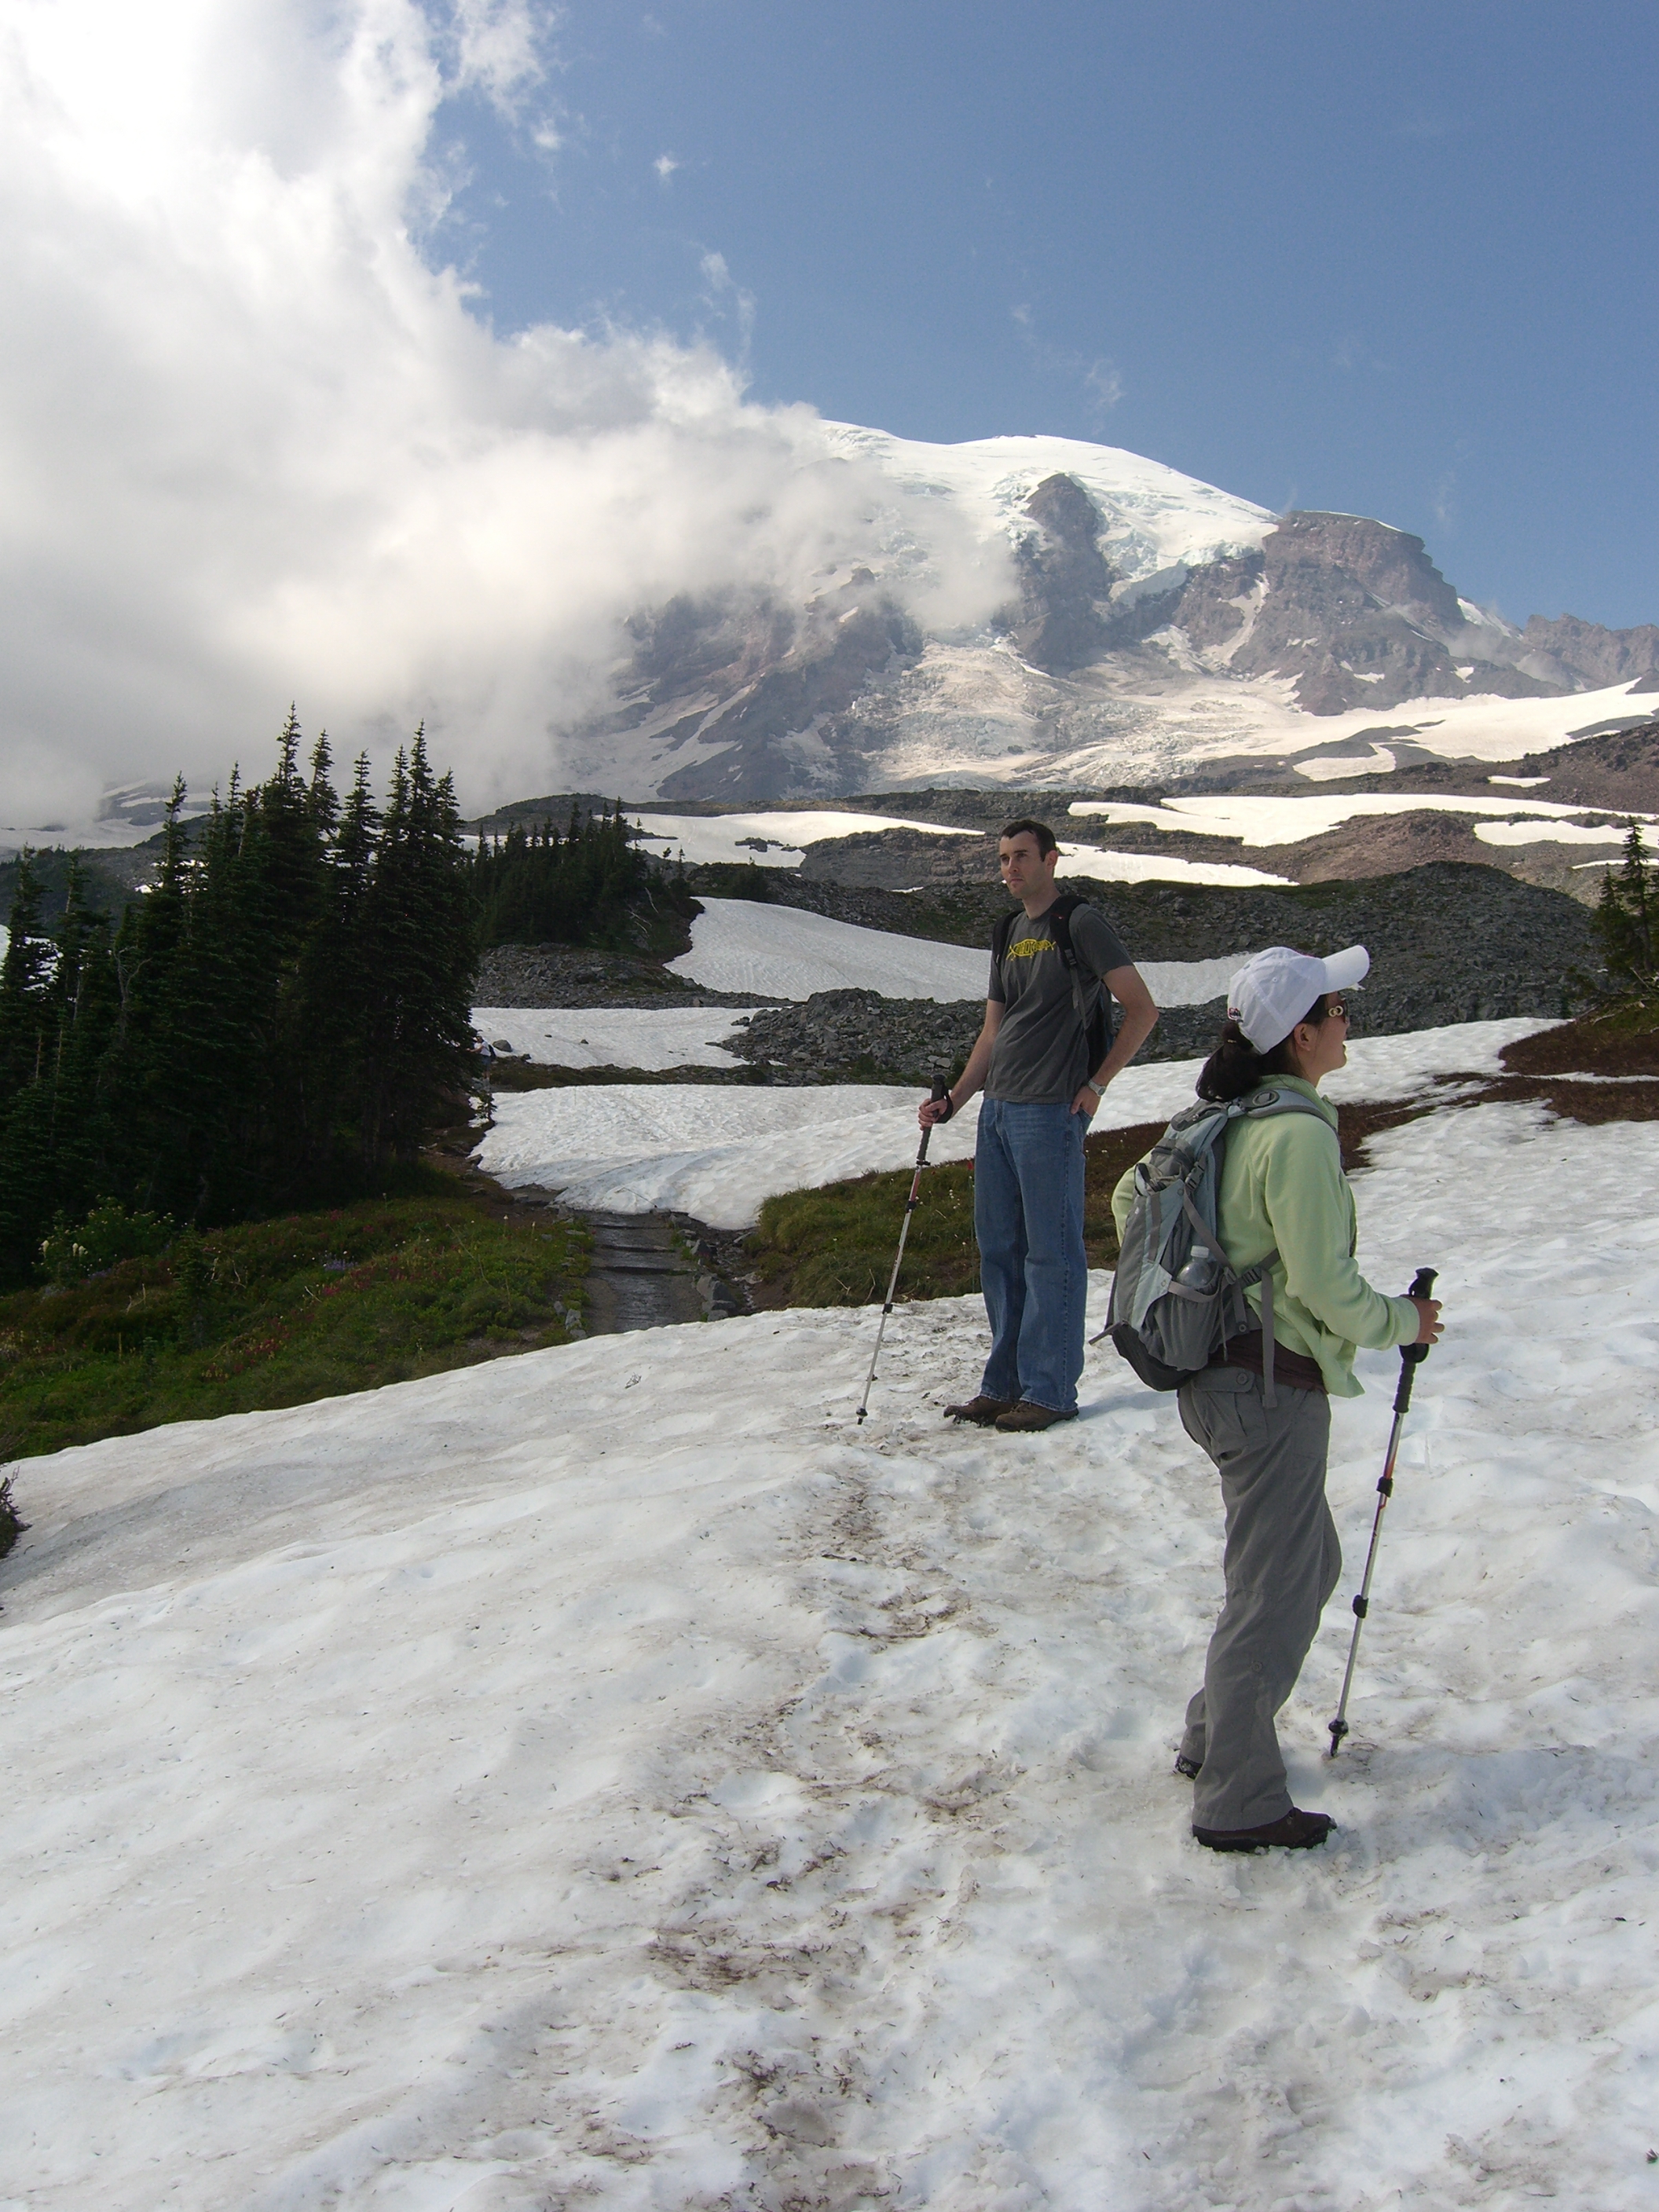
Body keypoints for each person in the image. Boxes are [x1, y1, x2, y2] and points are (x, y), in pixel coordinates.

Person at [1112, 944, 1444, 1853]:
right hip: (1269, 1387)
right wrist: (1405, 1322)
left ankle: (1214, 1735)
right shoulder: (1295, 1132)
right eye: (1338, 1009)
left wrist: (1197, 1285)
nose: (1347, 1020)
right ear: (1301, 1033)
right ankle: (1239, 1798)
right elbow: (1330, 1290)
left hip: (1220, 1381)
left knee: (1298, 1568)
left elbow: (1126, 1196)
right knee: (1274, 1585)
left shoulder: (1216, 1116)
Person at [921, 819, 1159, 1432]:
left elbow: (1142, 1008)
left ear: (1051, 860)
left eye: (1022, 856)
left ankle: (1051, 1391)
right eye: (1003, 858)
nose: (1011, 868)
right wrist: (959, 1100)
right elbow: (993, 1032)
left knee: (1051, 1253)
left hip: (1050, 1109)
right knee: (1000, 1250)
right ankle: (1004, 1385)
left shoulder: (1078, 922)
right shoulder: (1008, 931)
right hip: (1000, 1110)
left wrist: (1097, 1085)